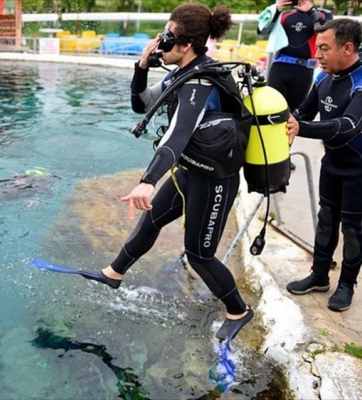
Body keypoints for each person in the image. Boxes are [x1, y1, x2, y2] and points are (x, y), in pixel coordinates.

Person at [88, 3, 254, 343]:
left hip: (214, 181)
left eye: (167, 37)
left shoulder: (201, 82)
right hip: (190, 170)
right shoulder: (182, 72)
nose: (160, 43)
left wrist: (148, 181)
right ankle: (113, 273)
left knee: (199, 255)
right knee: (151, 221)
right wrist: (141, 67)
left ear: (186, 45)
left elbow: (177, 135)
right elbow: (143, 104)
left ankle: (238, 310)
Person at [286, 18, 362, 312]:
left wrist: (299, 127)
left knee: (353, 231)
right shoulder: (322, 78)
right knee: (327, 218)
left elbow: (347, 126)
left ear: (348, 48)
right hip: (332, 163)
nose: (317, 55)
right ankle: (319, 276)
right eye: (317, 48)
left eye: (324, 48)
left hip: (358, 169)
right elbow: (302, 112)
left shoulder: (359, 83)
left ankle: (346, 285)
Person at [257, 0, 333, 112]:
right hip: (279, 67)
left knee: (295, 112)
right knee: (271, 108)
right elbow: (261, 30)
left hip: (303, 70)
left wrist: (310, 12)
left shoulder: (322, 14)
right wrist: (276, 11)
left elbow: (328, 33)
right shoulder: (284, 14)